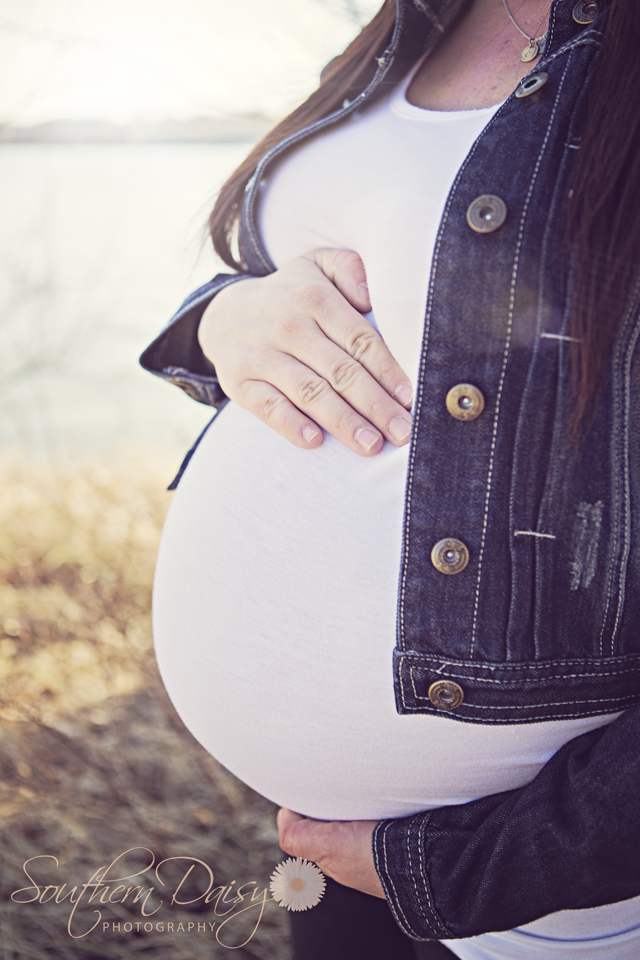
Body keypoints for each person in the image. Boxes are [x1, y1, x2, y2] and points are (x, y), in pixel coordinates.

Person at [140, 0, 640, 957]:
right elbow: (314, 274)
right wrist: (223, 318)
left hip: (547, 890)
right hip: (328, 849)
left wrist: (476, 864)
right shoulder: (417, 21)